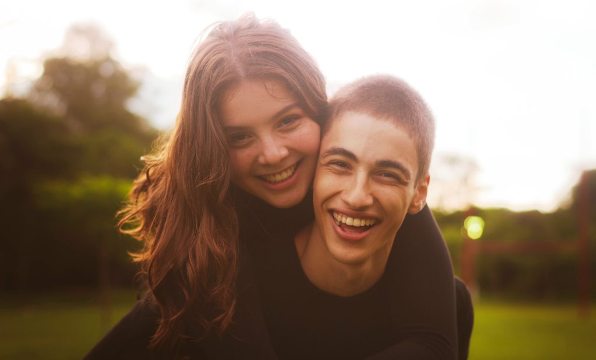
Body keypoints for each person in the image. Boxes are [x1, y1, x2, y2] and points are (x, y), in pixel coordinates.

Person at [85, 14, 471, 360]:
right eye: (239, 137)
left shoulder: (363, 186)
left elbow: (435, 343)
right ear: (213, 147)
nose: (272, 154)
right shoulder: (210, 241)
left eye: (288, 121)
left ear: (322, 113)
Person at [255, 74, 471, 360]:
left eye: (387, 175)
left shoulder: (445, 306)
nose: (357, 197)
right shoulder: (246, 280)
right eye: (340, 164)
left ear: (419, 193)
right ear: (313, 171)